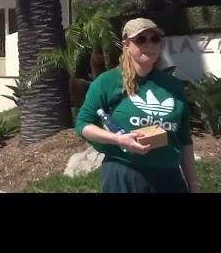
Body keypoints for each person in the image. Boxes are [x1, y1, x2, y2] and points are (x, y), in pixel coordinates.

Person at [75, 18, 200, 193]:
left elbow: (184, 139)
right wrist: (119, 139)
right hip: (124, 174)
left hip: (168, 177)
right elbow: (83, 124)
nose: (149, 44)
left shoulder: (173, 86)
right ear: (126, 44)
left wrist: (193, 185)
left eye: (154, 39)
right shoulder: (107, 82)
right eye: (141, 39)